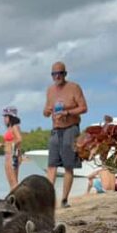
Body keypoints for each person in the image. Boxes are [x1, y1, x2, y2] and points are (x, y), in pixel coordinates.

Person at [44, 62, 88, 207]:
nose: (57, 76)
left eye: (60, 73)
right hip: (56, 129)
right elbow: (46, 110)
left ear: (65, 74)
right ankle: (49, 198)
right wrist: (47, 111)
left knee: (69, 166)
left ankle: (64, 199)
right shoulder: (50, 90)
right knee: (51, 165)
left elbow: (84, 108)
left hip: (70, 128)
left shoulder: (74, 87)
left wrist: (67, 112)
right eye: (54, 74)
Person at [2, 107, 22, 190]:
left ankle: (16, 199)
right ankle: (13, 198)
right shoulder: (10, 128)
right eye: (4, 117)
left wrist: (12, 146)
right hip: (8, 155)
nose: (4, 119)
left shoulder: (15, 127)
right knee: (11, 181)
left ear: (11, 117)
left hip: (13, 155)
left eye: (6, 116)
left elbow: (19, 139)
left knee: (13, 181)